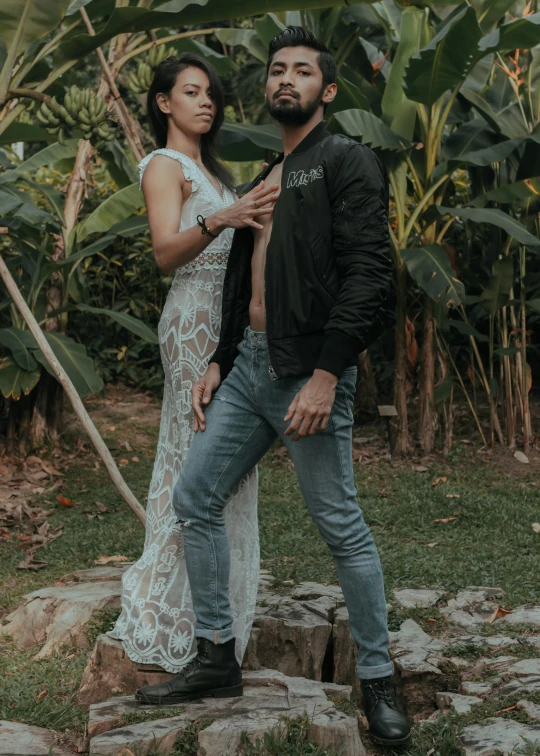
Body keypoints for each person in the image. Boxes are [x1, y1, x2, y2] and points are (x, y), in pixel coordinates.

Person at [136, 30, 410, 747]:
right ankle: (216, 656)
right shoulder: (265, 172)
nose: (286, 79)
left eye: (302, 71)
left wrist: (327, 373)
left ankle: (380, 678)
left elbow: (370, 279)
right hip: (248, 370)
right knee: (194, 496)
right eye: (277, 70)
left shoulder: (345, 161)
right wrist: (222, 357)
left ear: (328, 90)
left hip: (305, 375)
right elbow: (239, 279)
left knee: (340, 526)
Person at [109, 53, 278, 675]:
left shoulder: (214, 170)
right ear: (163, 103)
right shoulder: (164, 166)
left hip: (228, 324)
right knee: (193, 451)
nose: (206, 102)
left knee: (226, 465)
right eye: (190, 92)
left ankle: (218, 609)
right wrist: (223, 215)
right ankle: (178, 609)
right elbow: (164, 251)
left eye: (210, 93)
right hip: (190, 325)